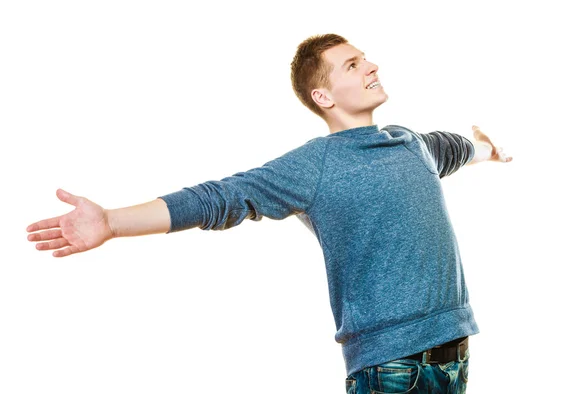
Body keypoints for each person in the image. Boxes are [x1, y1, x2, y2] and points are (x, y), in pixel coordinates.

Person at [26, 33, 512, 393]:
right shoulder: (315, 165)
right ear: (324, 96)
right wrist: (111, 221)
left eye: (365, 59)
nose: (371, 66)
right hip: (390, 368)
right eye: (352, 65)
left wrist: (487, 149)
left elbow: (453, 147)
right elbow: (221, 197)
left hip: (456, 353)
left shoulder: (411, 144)